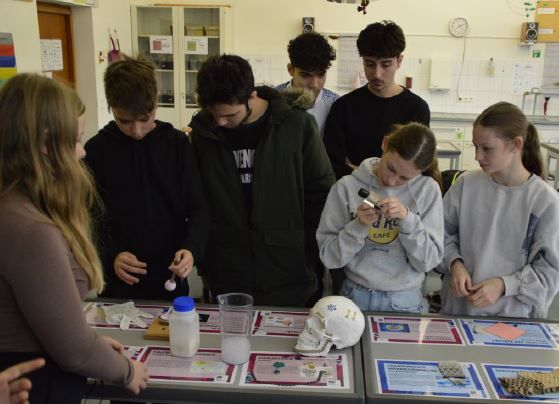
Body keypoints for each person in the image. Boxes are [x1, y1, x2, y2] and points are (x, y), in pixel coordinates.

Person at [0, 73, 148, 403]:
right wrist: (126, 370)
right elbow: (73, 350)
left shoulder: (15, 206)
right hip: (33, 385)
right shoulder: (30, 229)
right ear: (44, 144)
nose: (81, 152)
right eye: (76, 140)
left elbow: (50, 323)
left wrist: (91, 344)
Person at [189, 54, 335, 306]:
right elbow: (198, 200)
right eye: (213, 114)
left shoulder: (296, 125)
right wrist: (204, 263)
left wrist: (310, 257)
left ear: (252, 96)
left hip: (289, 272)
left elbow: (321, 195)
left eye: (230, 115)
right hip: (227, 271)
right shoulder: (204, 130)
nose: (220, 122)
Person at [85, 56, 209, 300]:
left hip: (170, 274)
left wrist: (191, 248)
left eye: (145, 119)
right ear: (111, 107)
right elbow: (87, 218)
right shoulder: (96, 150)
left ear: (156, 101)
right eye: (124, 121)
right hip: (117, 281)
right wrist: (110, 254)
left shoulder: (177, 145)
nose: (136, 130)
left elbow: (200, 208)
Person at [440, 102, 559, 318]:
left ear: (516, 145)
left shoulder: (546, 201)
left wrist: (504, 285)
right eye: (475, 147)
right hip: (460, 313)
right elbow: (440, 235)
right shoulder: (466, 184)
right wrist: (455, 263)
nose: (477, 156)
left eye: (487, 148)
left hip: (514, 318)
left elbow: (551, 273)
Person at [317, 123, 443, 312]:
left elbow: (429, 262)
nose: (391, 181)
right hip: (354, 296)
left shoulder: (427, 190)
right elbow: (329, 258)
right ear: (385, 144)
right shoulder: (346, 187)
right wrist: (358, 226)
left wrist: (408, 220)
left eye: (404, 179)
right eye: (391, 168)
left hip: (405, 301)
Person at [324, 20, 430, 180]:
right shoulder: (344, 107)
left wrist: (360, 170)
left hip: (400, 192)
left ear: (399, 61)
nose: (377, 74)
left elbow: (418, 164)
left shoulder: (417, 108)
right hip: (353, 191)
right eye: (369, 64)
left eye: (386, 65)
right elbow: (333, 162)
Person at [276, 32, 339, 137]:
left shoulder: (335, 105)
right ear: (290, 70)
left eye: (321, 74)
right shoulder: (273, 99)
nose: (314, 84)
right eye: (305, 75)